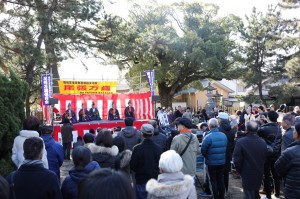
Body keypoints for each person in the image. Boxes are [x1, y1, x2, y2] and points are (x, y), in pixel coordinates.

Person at [233, 121, 267, 199]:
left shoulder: (241, 142)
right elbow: (265, 158)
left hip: (246, 172)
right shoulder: (262, 142)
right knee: (255, 193)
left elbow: (236, 160)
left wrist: (240, 171)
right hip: (259, 171)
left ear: (246, 129)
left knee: (249, 194)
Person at [130, 124, 162, 199]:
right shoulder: (158, 148)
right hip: (155, 180)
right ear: (152, 134)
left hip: (141, 181)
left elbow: (133, 166)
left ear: (142, 134)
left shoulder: (137, 149)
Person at [201, 118, 227, 199]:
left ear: (209, 126)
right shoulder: (223, 135)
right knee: (220, 179)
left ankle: (215, 197)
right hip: (222, 161)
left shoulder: (208, 137)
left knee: (213, 181)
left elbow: (203, 150)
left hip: (211, 162)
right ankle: (221, 196)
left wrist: (207, 156)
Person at [258, 111, 282, 199]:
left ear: (268, 118)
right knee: (276, 175)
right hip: (276, 154)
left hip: (266, 155)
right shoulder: (279, 128)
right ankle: (277, 194)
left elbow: (256, 131)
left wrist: (259, 121)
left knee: (266, 175)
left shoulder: (263, 129)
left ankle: (268, 196)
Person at [275, 123, 300, 199]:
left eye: (294, 130)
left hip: (293, 191)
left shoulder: (290, 151)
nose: (293, 132)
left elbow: (278, 168)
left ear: (297, 133)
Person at [217, 112, 235, 195]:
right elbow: (232, 143)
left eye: (218, 118)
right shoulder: (231, 129)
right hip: (228, 154)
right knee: (226, 173)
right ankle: (225, 190)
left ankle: (220, 191)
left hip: (220, 153)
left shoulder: (218, 129)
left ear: (221, 119)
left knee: (219, 173)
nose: (218, 119)